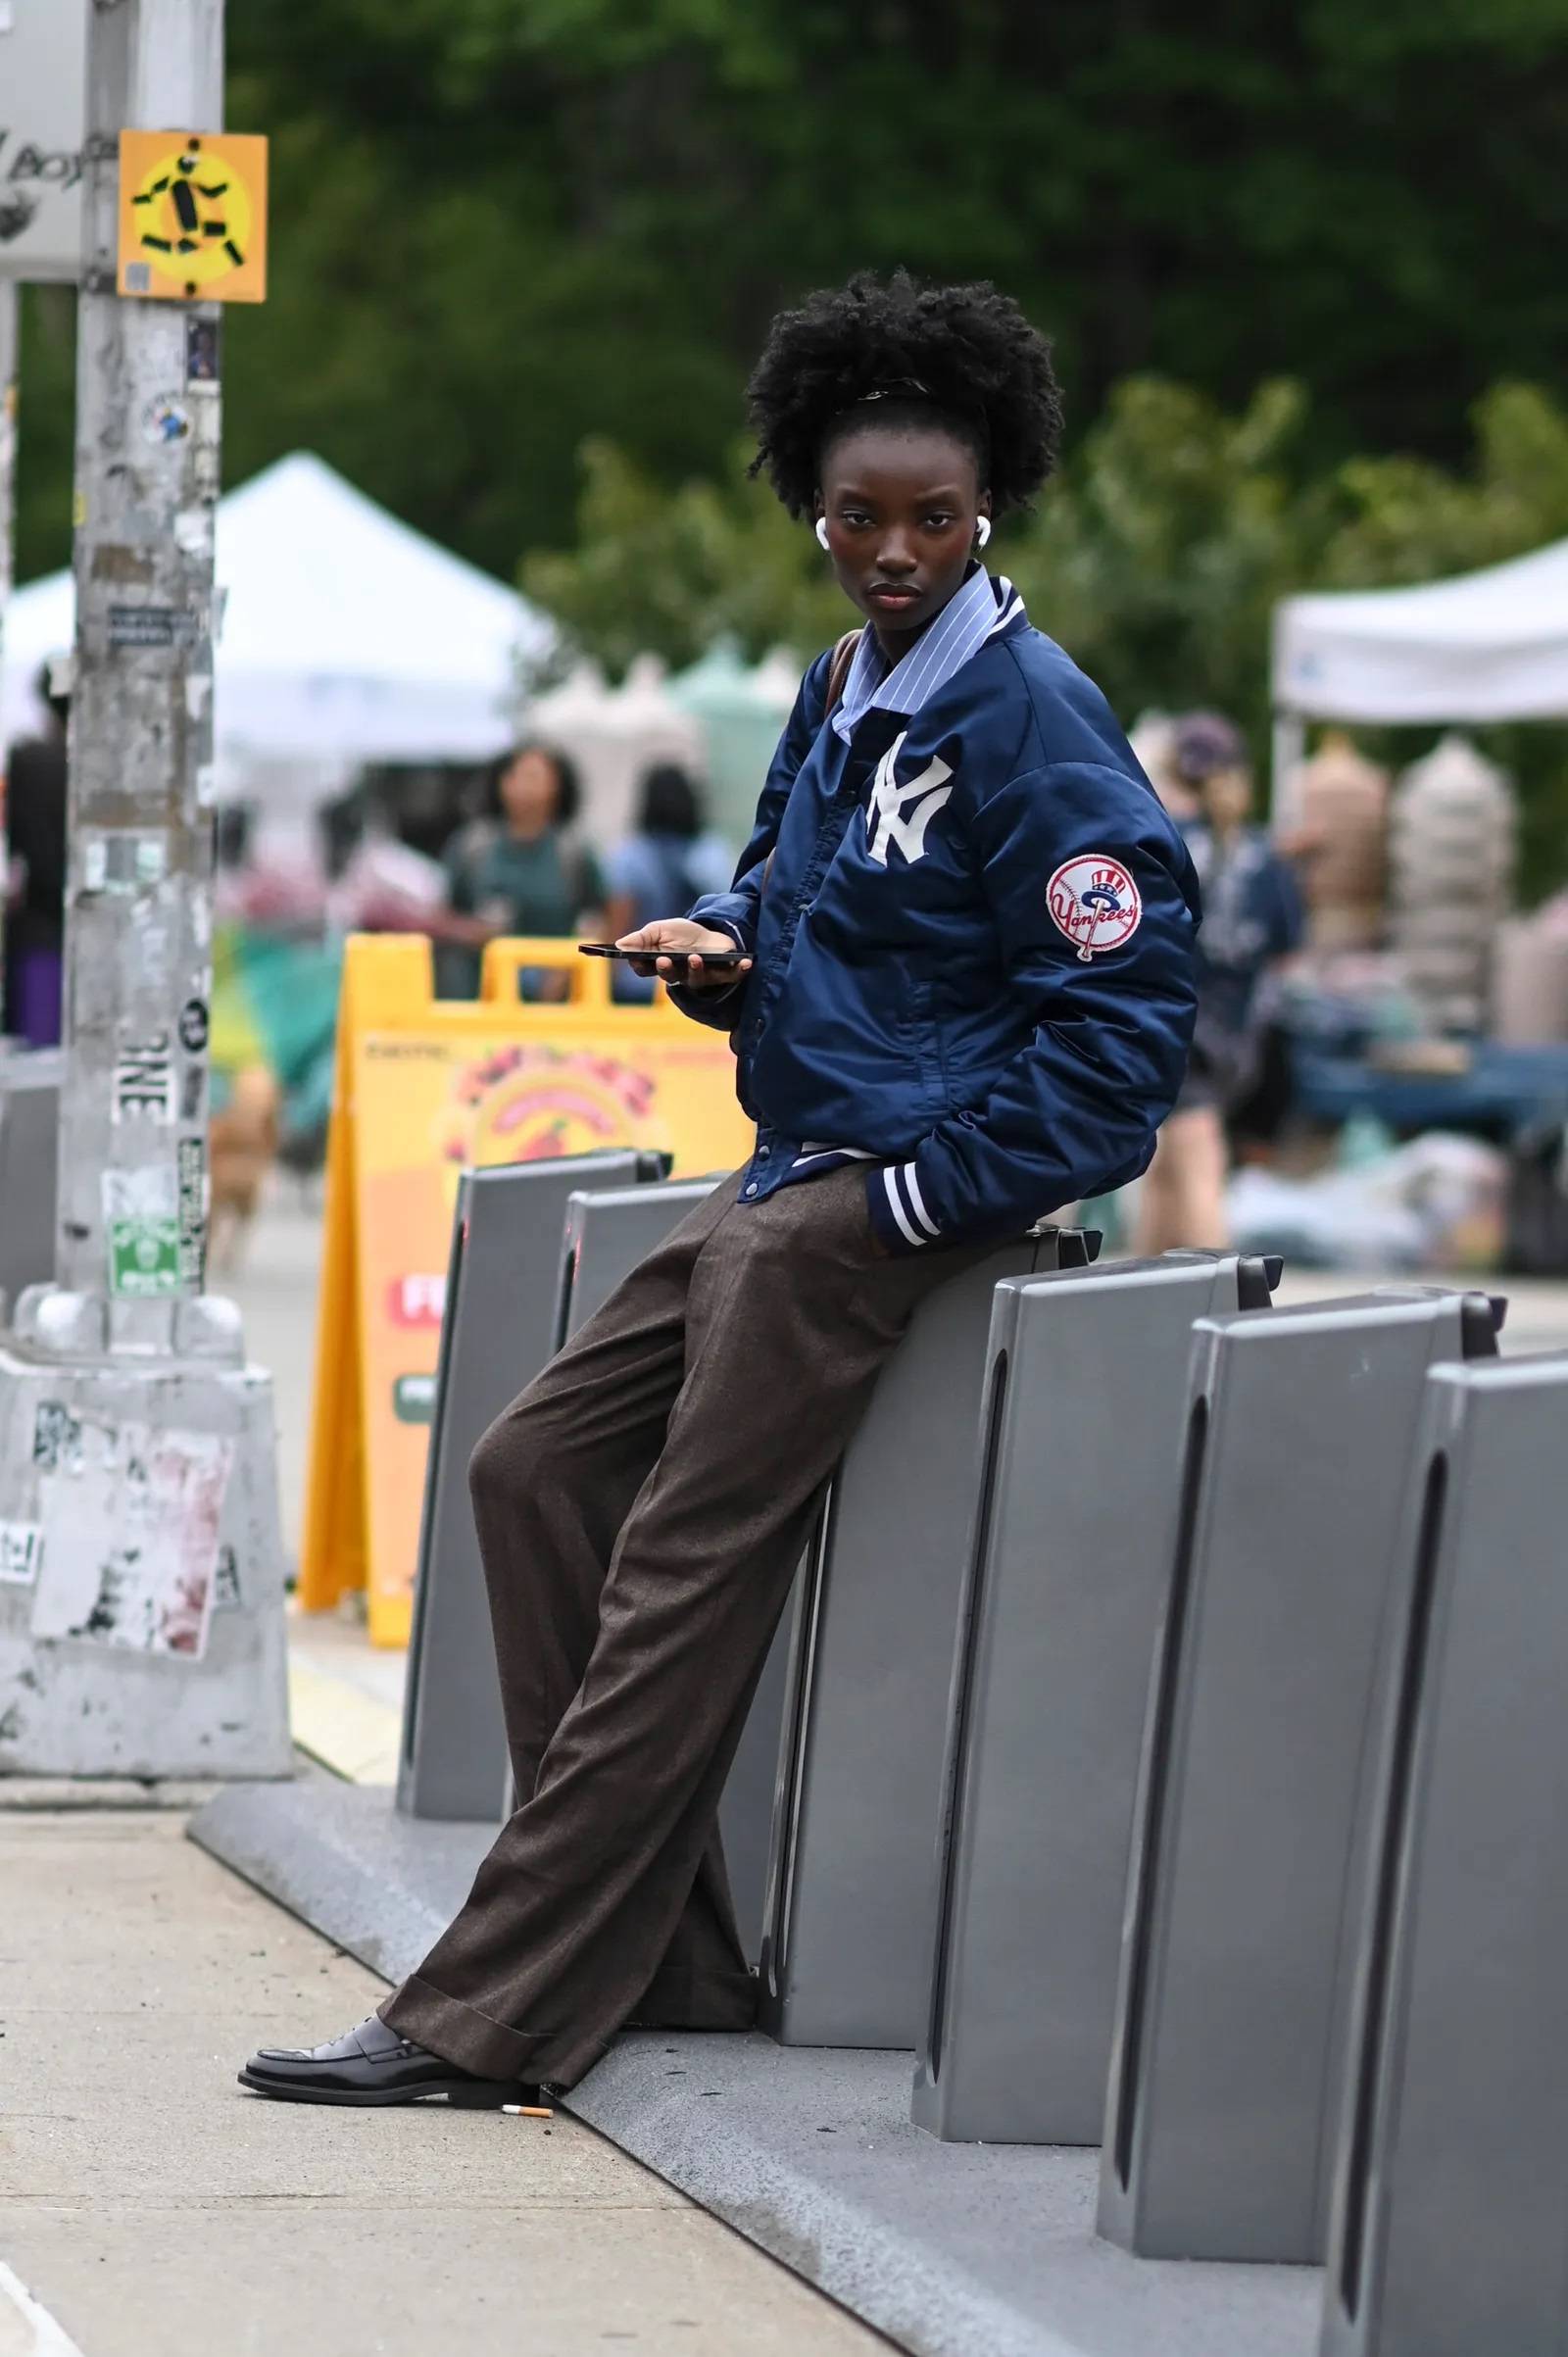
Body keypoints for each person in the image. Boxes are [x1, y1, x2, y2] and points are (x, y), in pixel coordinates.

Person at [240, 269, 1200, 2109]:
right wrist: (726, 945)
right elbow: (789, 886)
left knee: (681, 1569)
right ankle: (667, 1961)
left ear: (991, 500)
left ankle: (483, 2017)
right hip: (791, 1164)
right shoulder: (844, 687)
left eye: (931, 518)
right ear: (809, 503)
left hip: (881, 1202)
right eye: (858, 517)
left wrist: (923, 1205)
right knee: (529, 1471)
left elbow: (1126, 1024)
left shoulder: (1031, 718)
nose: (891, 551)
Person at [1131, 711, 1302, 1253]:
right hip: (1230, 1034)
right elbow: (1285, 948)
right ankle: (1142, 1298)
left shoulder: (1162, 843)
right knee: (1167, 1170)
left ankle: (1225, 1307)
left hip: (1170, 1025)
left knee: (1198, 1168)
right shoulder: (1264, 854)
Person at [434, 740, 607, 996]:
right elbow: (441, 917)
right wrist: (474, 932)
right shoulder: (471, 847)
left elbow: (597, 920)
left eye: (536, 776)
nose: (526, 787)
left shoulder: (574, 853)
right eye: (517, 775)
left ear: (557, 786)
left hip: (552, 1002)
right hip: (479, 995)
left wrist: (570, 967)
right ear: (501, 783)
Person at [603, 762, 733, 1002]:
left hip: (639, 982)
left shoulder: (632, 855)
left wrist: (607, 979)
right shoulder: (712, 852)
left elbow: (620, 921)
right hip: (698, 978)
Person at [2, 665, 70, 1048]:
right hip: (54, 933)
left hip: (40, 930)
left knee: (37, 1056)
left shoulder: (29, 759)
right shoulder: (45, 761)